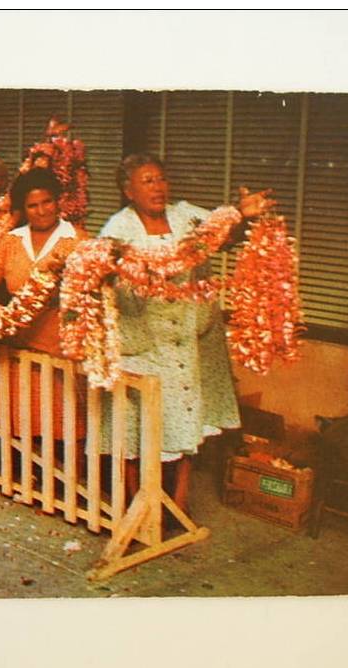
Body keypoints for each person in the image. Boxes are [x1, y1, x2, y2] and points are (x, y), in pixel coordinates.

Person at [99, 153, 272, 513]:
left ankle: (177, 506)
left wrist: (243, 217)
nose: (158, 187)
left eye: (161, 179)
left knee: (186, 419)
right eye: (148, 181)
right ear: (128, 190)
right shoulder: (118, 228)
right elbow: (106, 275)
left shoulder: (186, 215)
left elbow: (223, 237)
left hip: (187, 340)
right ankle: (138, 506)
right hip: (144, 343)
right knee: (137, 427)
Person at [0, 167, 87, 443]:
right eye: (32, 205)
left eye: (47, 201)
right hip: (20, 340)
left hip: (61, 346)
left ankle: (68, 480)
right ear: (23, 209)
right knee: (21, 420)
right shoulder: (13, 240)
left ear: (58, 200)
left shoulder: (79, 240)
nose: (41, 210)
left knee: (64, 423)